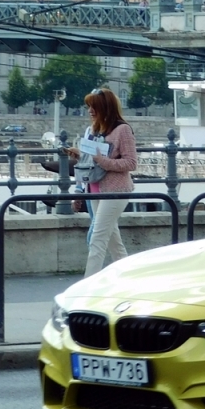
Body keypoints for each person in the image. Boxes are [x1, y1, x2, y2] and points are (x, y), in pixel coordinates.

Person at [67, 88, 138, 277]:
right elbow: (94, 159)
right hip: (95, 189)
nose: (90, 111)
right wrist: (80, 155)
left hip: (116, 191)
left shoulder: (122, 130)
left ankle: (86, 288)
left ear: (106, 108)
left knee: (97, 239)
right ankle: (130, 279)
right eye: (89, 106)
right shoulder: (92, 130)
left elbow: (131, 163)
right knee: (114, 242)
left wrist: (102, 161)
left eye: (94, 107)